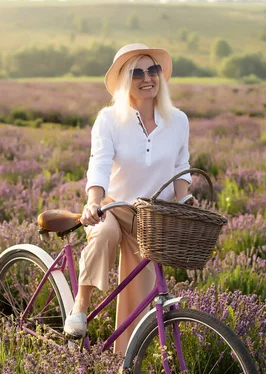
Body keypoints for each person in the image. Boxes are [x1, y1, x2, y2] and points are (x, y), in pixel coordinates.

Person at [63, 43, 192, 356]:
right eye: (137, 72)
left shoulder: (177, 121)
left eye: (153, 70)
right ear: (124, 81)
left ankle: (125, 365)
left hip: (152, 216)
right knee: (104, 233)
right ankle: (79, 307)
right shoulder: (109, 119)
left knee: (140, 294)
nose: (147, 78)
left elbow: (181, 166)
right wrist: (94, 202)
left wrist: (185, 202)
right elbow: (100, 164)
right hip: (113, 207)